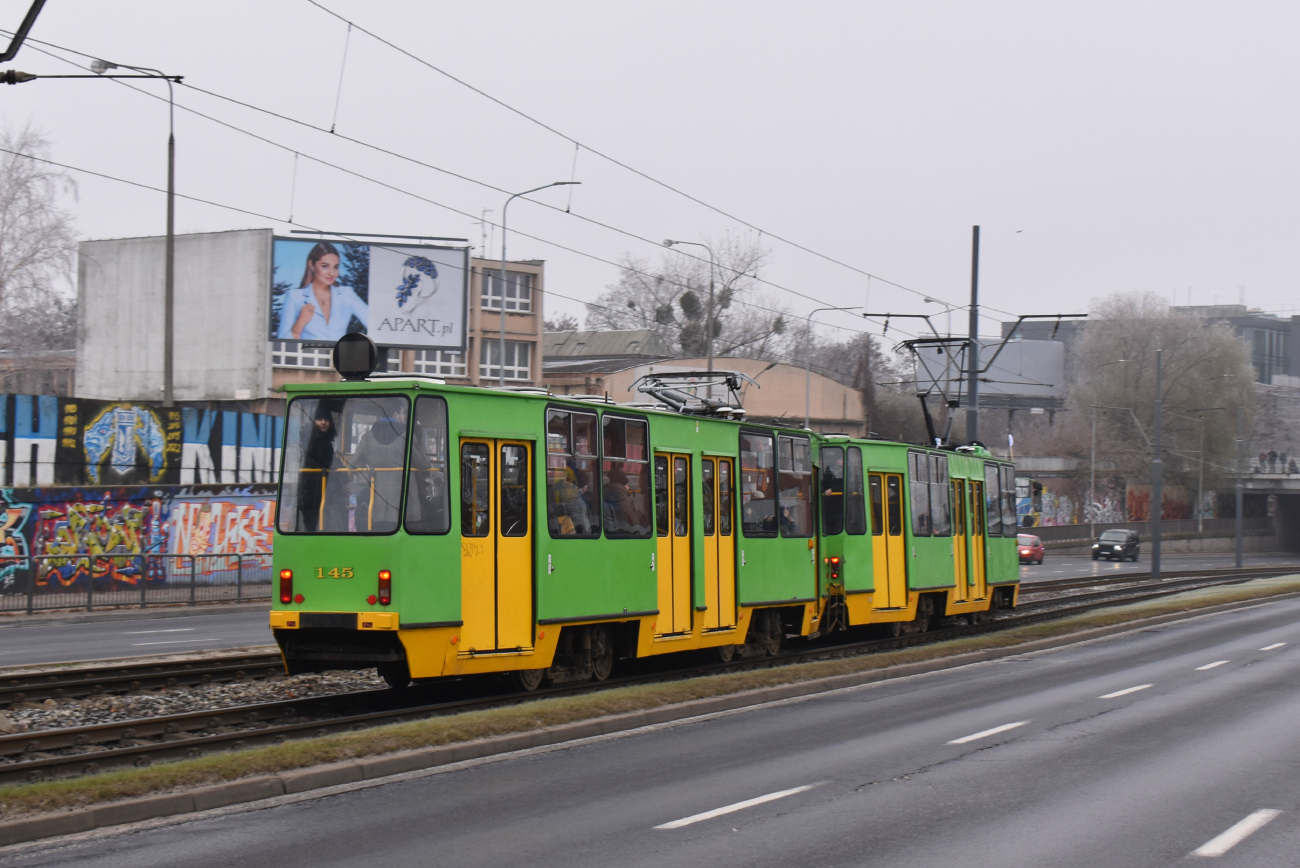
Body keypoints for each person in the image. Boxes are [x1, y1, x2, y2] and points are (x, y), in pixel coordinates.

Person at [277, 242, 369, 342]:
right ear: (311, 265)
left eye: (336, 267)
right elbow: (282, 342)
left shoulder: (347, 294)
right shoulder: (295, 297)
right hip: (309, 356)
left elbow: (374, 324)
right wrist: (299, 324)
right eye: (325, 266)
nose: (332, 273)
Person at [347, 405, 408, 532]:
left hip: (375, 500)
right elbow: (424, 464)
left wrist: (370, 471)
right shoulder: (406, 436)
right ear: (396, 414)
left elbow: (354, 464)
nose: (404, 417)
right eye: (403, 414)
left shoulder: (368, 436)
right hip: (403, 500)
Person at [298, 407, 337, 531]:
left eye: (326, 419)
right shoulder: (312, 439)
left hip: (322, 489)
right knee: (314, 525)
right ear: (314, 421)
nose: (323, 423)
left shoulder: (327, 440)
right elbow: (326, 461)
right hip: (311, 490)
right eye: (319, 419)